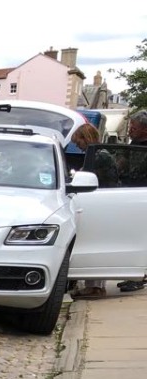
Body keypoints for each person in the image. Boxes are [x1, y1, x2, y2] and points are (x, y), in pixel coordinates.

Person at [71, 124, 118, 298]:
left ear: (86, 138)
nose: (77, 146)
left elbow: (83, 176)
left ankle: (95, 286)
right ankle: (94, 285)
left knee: (95, 241)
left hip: (102, 203)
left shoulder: (99, 156)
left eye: (78, 142)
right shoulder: (100, 154)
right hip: (105, 202)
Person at [116, 110, 147, 292]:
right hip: (130, 194)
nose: (129, 131)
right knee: (131, 235)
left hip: (143, 194)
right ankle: (132, 274)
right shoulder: (133, 144)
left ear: (145, 129)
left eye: (133, 128)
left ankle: (139, 276)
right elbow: (121, 163)